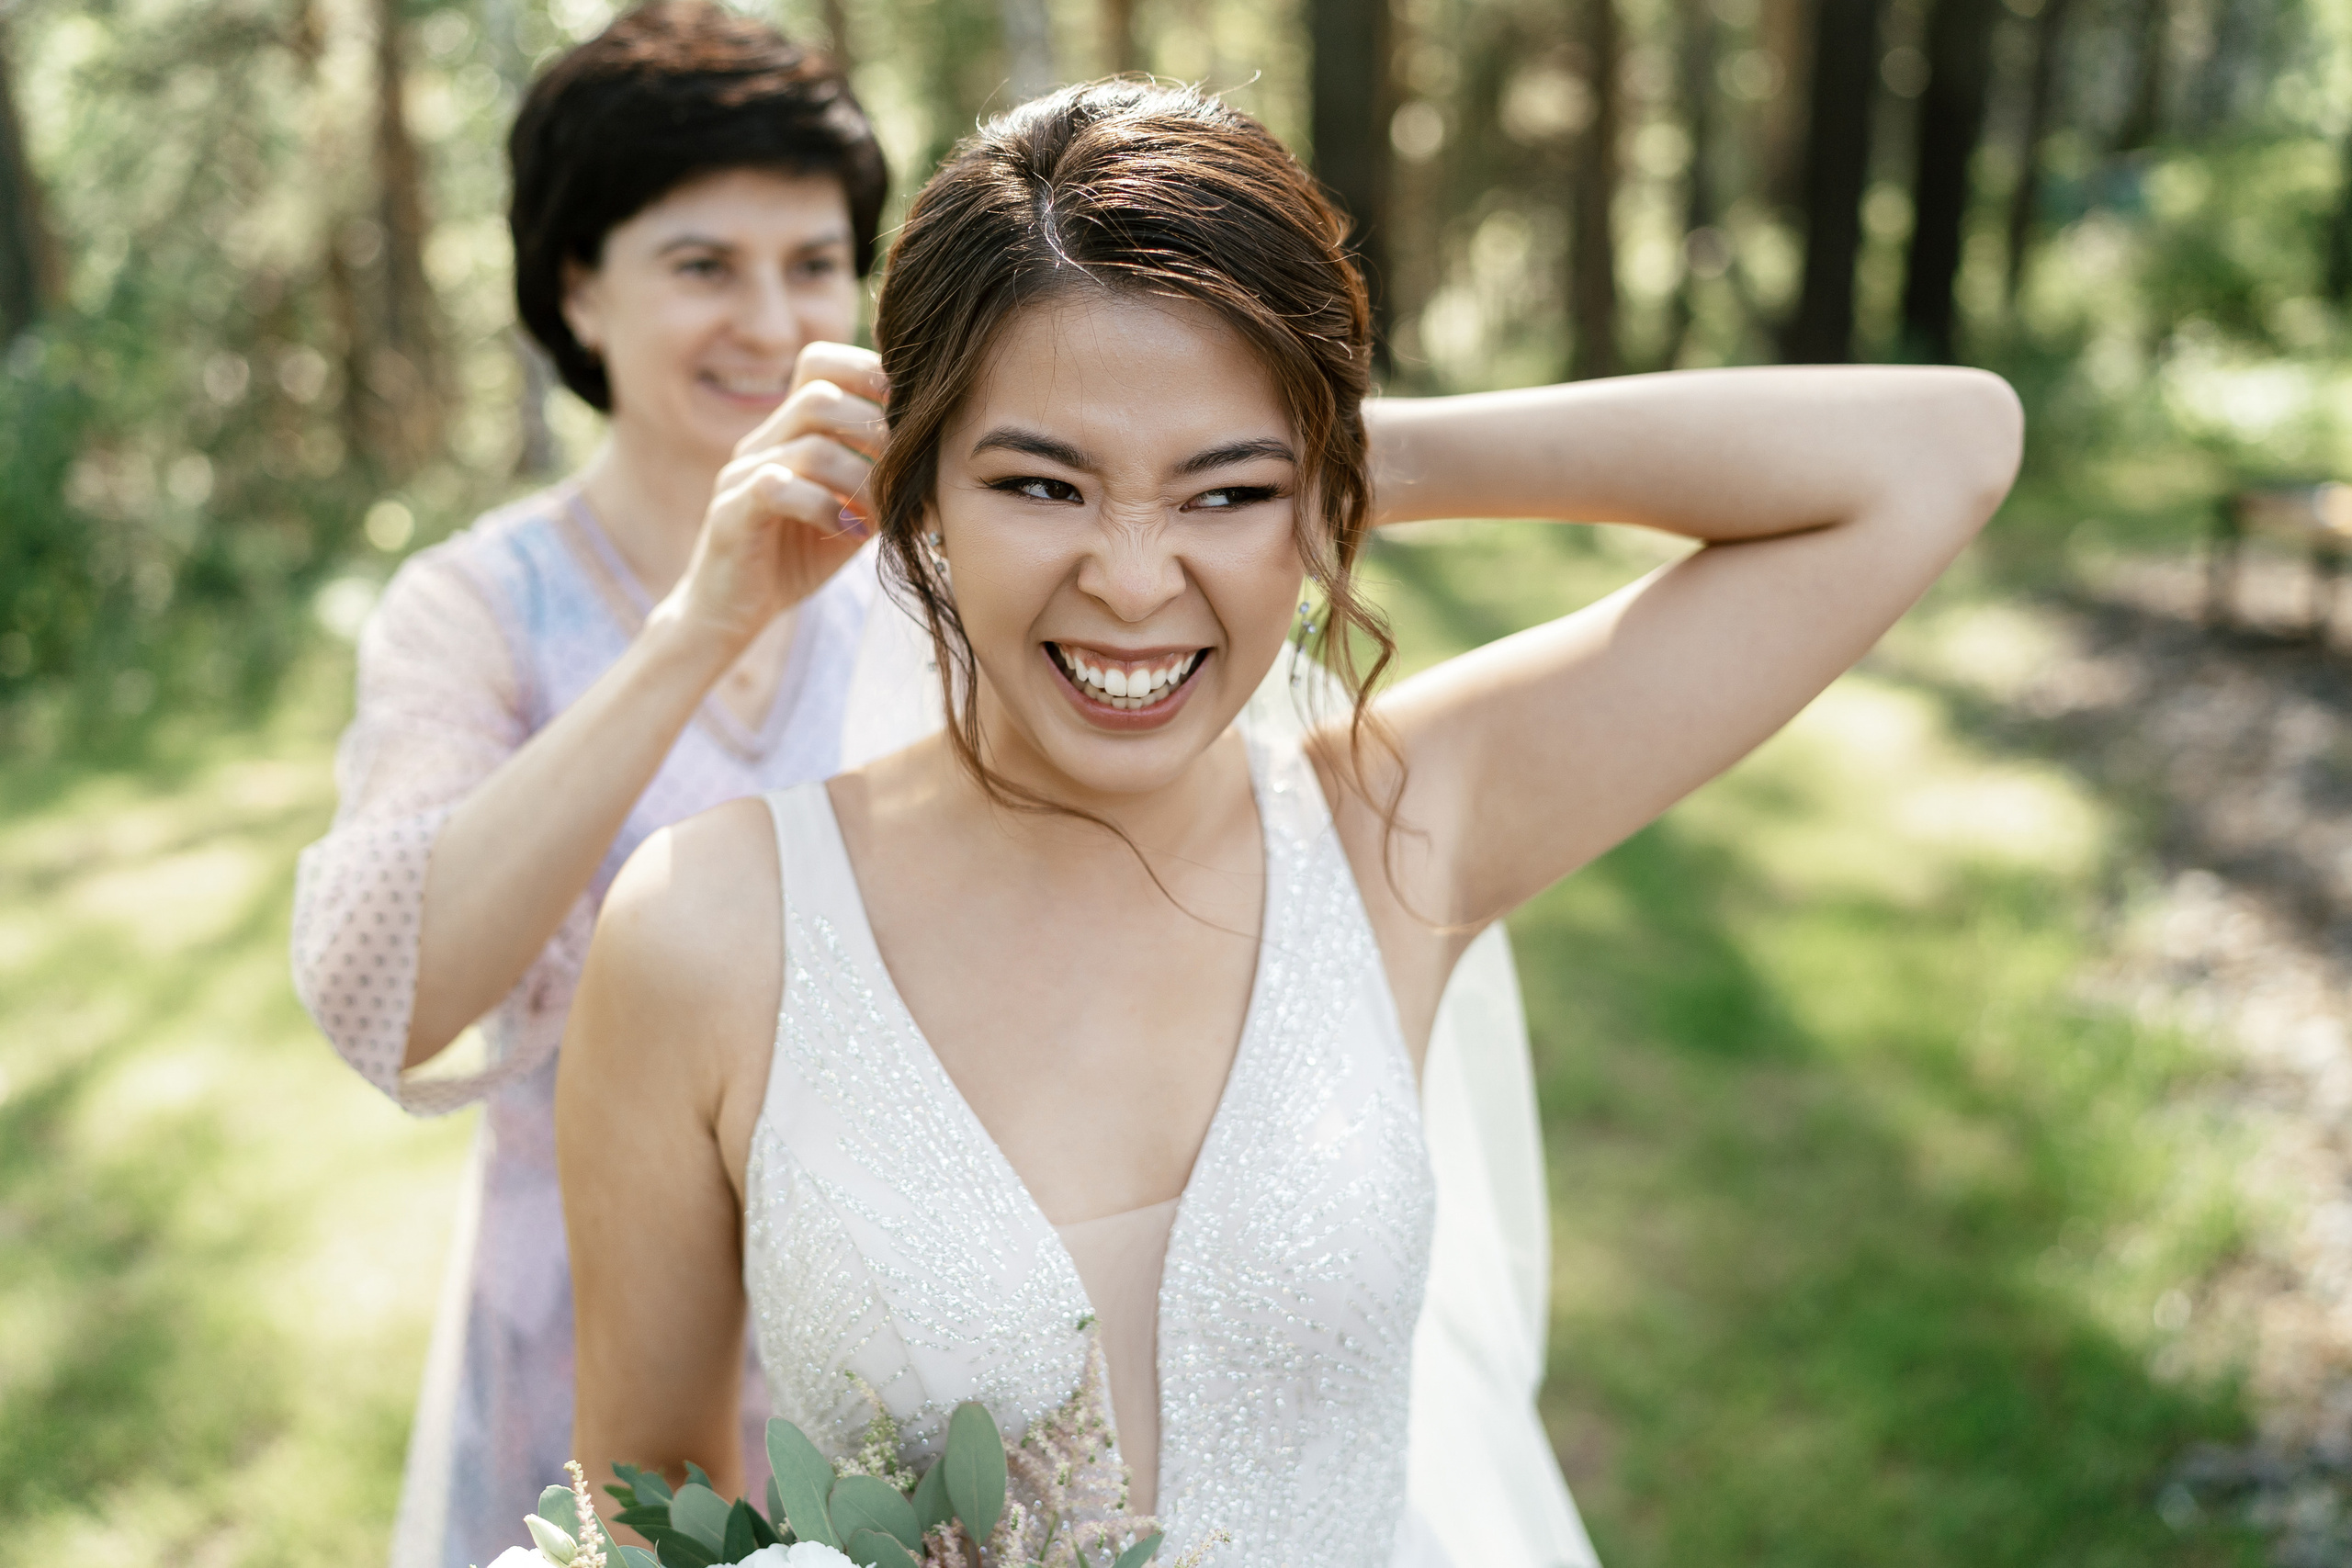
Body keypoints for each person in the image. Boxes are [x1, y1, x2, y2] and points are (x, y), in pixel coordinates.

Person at [558, 78, 2021, 1568]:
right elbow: (643, 1510)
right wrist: (1230, 461)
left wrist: (1344, 446)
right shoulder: (708, 934)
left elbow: (1940, 453)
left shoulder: (1400, 827)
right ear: (917, 486)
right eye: (1042, 480)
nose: (1134, 580)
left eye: (1225, 493)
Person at [288, 7, 910, 1563]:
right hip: (585, 1347)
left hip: (902, 1334)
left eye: (815, 263)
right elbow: (394, 984)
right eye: (702, 265)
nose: (772, 322)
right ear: (578, 287)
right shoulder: (476, 607)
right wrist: (702, 623)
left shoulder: (930, 582)